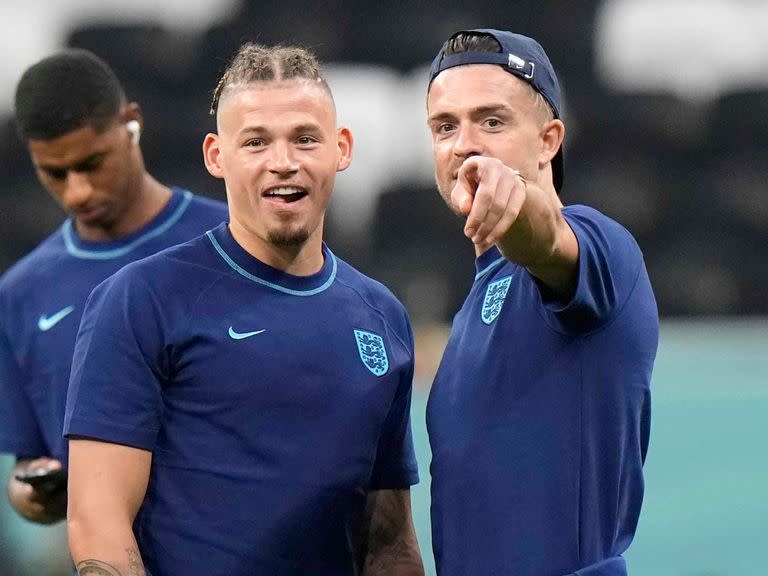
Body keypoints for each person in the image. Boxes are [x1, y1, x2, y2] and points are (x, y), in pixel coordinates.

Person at [63, 43, 424, 576]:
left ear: (341, 148)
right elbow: (97, 522)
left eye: (305, 138)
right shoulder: (140, 300)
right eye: (256, 142)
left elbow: (390, 542)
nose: (283, 162)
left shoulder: (381, 316)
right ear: (217, 155)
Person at [425, 29, 659, 575]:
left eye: (492, 121)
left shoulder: (601, 247)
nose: (463, 145)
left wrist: (518, 207)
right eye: (444, 127)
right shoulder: (473, 307)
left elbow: (547, 240)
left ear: (549, 140)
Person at [0, 49, 227, 527]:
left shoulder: (234, 242)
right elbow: (26, 466)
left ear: (131, 123)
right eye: (55, 173)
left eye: (92, 163)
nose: (77, 191)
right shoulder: (19, 296)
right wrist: (34, 492)